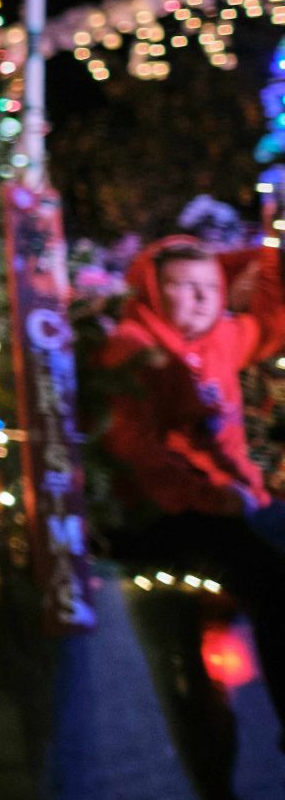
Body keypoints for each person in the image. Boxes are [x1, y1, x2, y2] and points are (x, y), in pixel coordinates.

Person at [103, 236, 285, 728]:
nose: (204, 297)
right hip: (170, 512)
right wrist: (216, 498)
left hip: (233, 498)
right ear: (152, 290)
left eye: (211, 286)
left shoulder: (222, 336)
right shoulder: (133, 351)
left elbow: (273, 321)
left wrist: (268, 245)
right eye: (184, 286)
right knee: (273, 582)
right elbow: (141, 456)